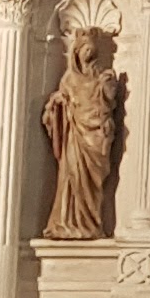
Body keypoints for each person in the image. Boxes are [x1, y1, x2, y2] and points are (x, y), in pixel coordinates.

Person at [41, 25, 117, 239]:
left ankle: (90, 223)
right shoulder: (69, 79)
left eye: (91, 50)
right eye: (85, 50)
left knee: (93, 182)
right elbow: (53, 112)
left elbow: (109, 101)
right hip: (75, 136)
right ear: (76, 52)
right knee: (72, 176)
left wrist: (107, 86)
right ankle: (67, 222)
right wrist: (56, 103)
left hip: (95, 137)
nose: (88, 53)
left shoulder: (102, 76)